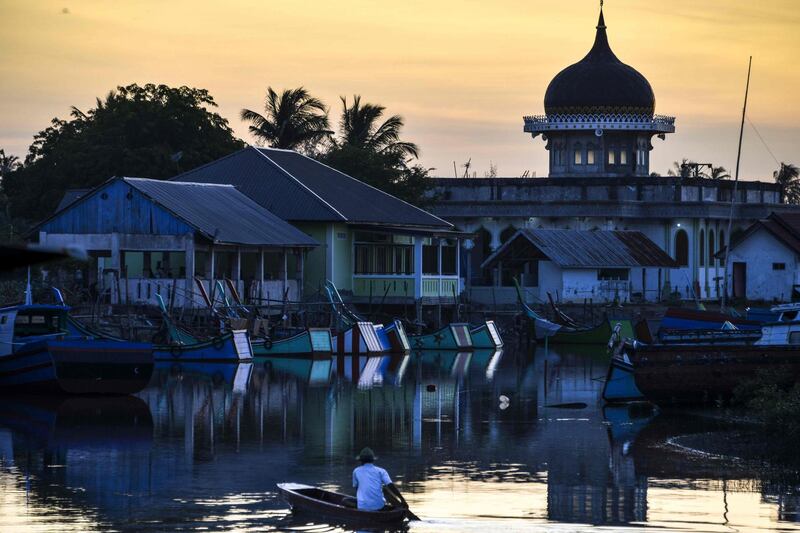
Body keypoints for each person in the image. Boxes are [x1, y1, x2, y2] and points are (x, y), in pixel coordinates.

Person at [352, 447, 408, 511]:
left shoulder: (356, 471)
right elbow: (390, 485)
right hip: (378, 506)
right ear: (372, 460)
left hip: (362, 507)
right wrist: (402, 499)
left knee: (345, 501)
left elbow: (356, 488)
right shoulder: (381, 471)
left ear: (361, 461)